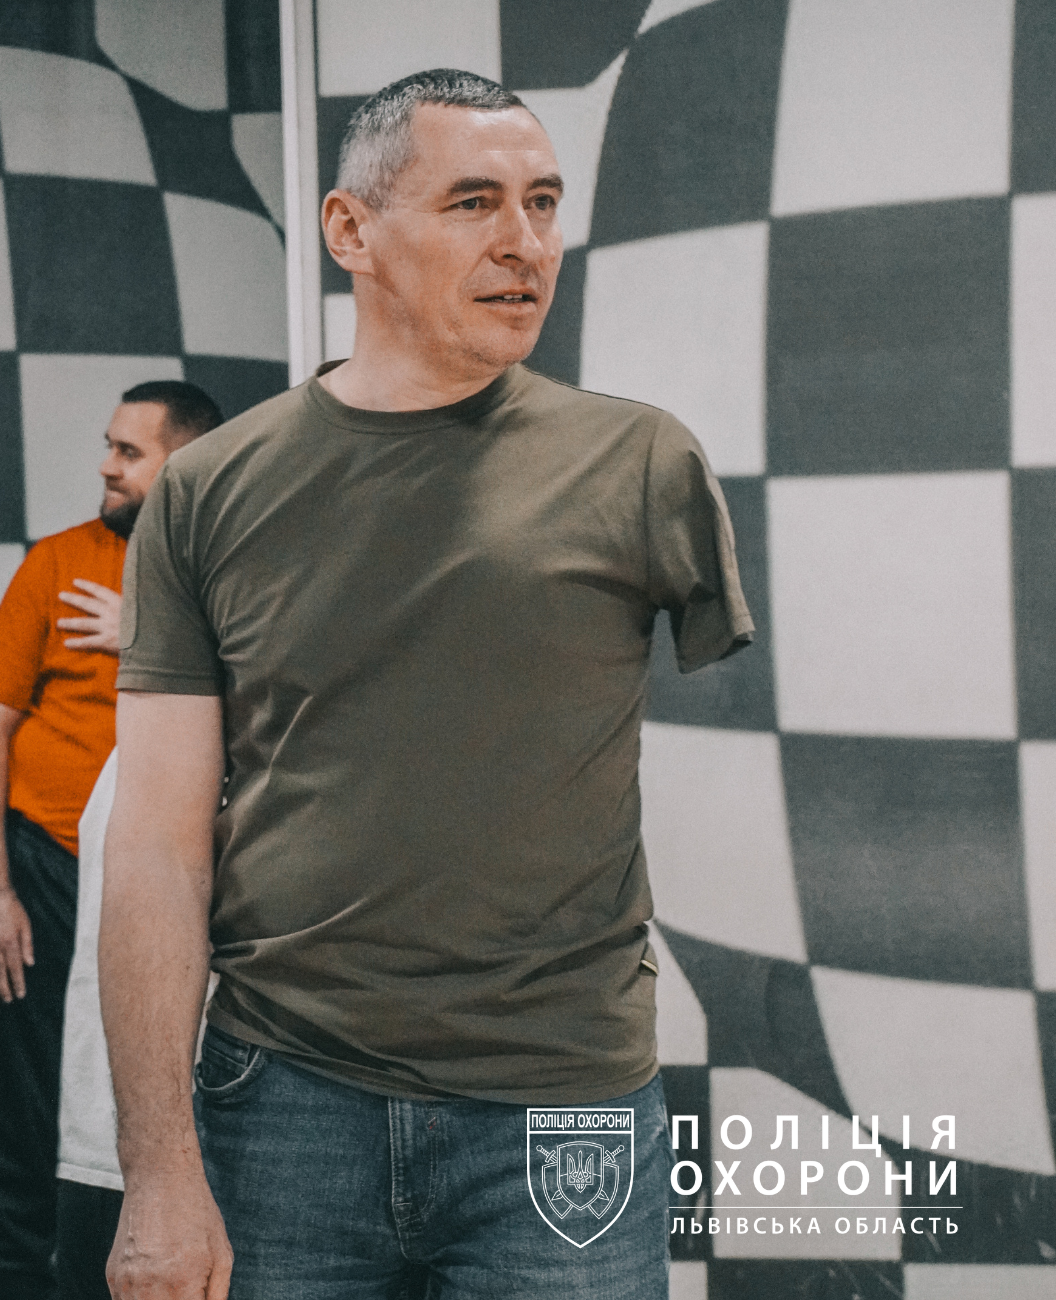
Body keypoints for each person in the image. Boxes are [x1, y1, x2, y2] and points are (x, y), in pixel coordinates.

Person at [102, 69, 754, 1300]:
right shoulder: (207, 493)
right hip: (282, 1095)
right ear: (351, 231)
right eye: (473, 202)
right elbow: (155, 849)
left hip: (561, 1103)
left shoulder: (641, 463)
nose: (525, 242)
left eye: (543, 202)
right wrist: (156, 1172)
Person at [0, 380, 223, 1300]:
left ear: (184, 464)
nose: (105, 467)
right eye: (109, 446)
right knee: (19, 1110)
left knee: (155, 1100)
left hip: (171, 881)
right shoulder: (59, 562)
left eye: (129, 452)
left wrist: (150, 632)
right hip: (43, 868)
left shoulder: (225, 570)